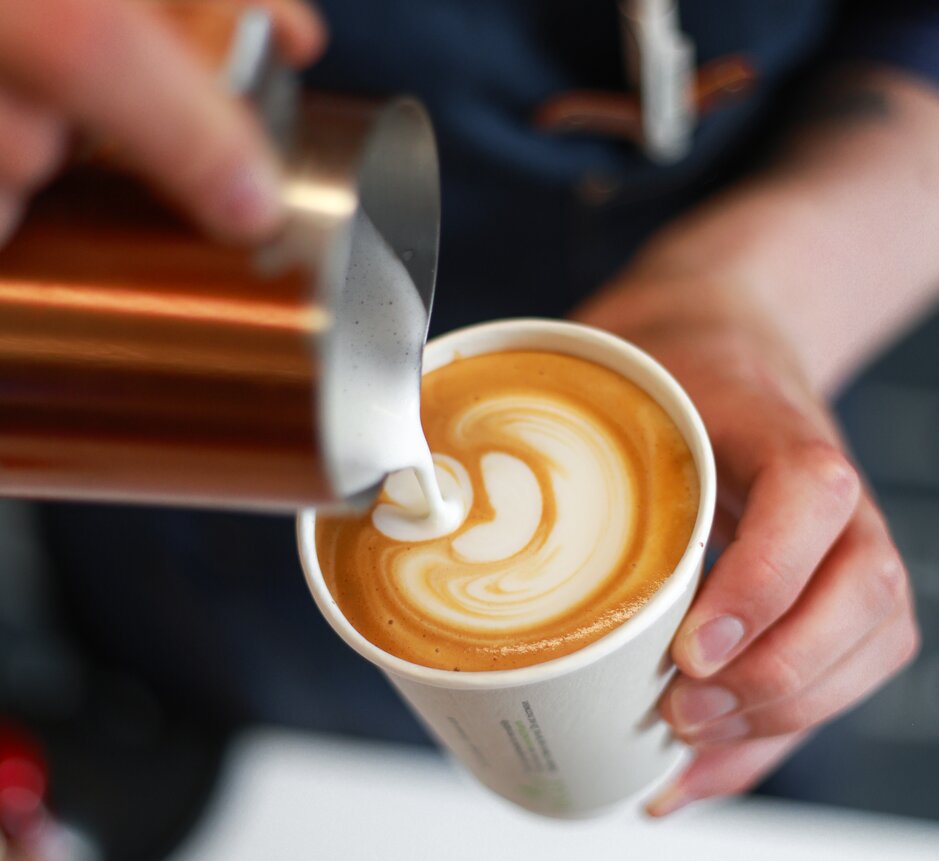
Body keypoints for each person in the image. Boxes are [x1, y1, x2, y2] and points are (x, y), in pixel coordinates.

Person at [0, 0, 936, 819]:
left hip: (734, 389)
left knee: (767, 716)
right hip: (199, 430)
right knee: (315, 813)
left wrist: (757, 293)